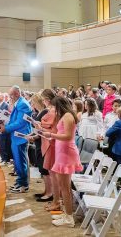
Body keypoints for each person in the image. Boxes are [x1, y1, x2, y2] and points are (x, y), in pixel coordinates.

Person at [42, 97, 83, 228]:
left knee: (65, 188)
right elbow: (61, 132)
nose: (52, 109)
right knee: (64, 186)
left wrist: (51, 135)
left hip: (66, 154)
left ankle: (69, 218)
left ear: (59, 105)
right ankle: (67, 213)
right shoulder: (65, 115)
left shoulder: (68, 116)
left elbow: (68, 136)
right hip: (63, 153)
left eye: (54, 107)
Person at [0, 85, 32, 193]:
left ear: (17, 94)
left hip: (20, 136)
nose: (10, 97)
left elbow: (20, 122)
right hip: (16, 135)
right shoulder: (19, 103)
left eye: (11, 95)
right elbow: (15, 120)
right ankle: (19, 182)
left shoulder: (23, 104)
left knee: (21, 162)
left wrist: (6, 128)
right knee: (18, 162)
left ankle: (23, 185)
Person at [28, 93, 51, 202]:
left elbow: (45, 130)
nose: (32, 104)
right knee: (42, 169)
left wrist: (35, 135)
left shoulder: (45, 111)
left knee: (45, 169)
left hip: (43, 142)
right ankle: (46, 190)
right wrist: (33, 135)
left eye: (33, 102)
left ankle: (49, 192)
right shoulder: (40, 112)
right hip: (39, 141)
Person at [0, 93, 12, 165]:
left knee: (4, 143)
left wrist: (2, 124)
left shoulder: (5, 105)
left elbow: (6, 117)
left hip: (4, 126)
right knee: (1, 143)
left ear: (2, 97)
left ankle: (5, 159)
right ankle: (3, 157)